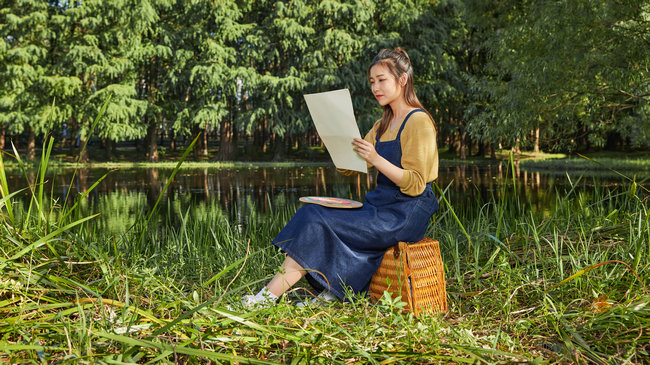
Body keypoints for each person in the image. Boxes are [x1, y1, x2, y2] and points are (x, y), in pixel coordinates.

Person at [242, 47, 439, 307]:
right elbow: (351, 168)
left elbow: (415, 184)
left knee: (315, 219)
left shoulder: (418, 121)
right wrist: (333, 137)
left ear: (402, 80)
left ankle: (264, 299)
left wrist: (375, 159)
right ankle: (332, 292)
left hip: (403, 214)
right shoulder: (382, 125)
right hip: (379, 206)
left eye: (382, 80)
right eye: (371, 81)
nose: (375, 87)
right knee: (312, 212)